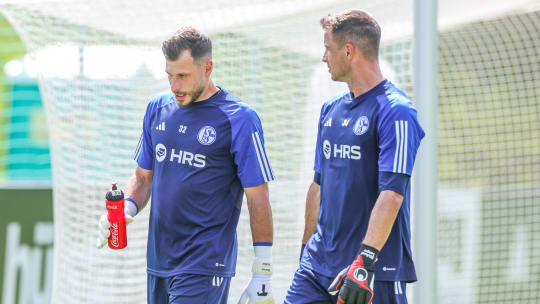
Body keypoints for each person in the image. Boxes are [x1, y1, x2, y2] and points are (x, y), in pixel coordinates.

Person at [96, 26, 276, 304]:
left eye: (182, 76)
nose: (174, 85)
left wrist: (263, 271)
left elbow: (258, 196)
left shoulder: (239, 118)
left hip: (204, 265)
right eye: (169, 75)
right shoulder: (157, 108)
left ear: (208, 68)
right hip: (158, 261)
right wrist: (125, 209)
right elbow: (143, 178)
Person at [284, 9, 425, 304]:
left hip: (369, 273)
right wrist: (304, 250)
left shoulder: (396, 112)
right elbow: (318, 186)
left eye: (327, 48)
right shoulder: (330, 109)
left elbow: (392, 195)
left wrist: (366, 261)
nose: (324, 57)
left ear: (348, 51)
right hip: (316, 267)